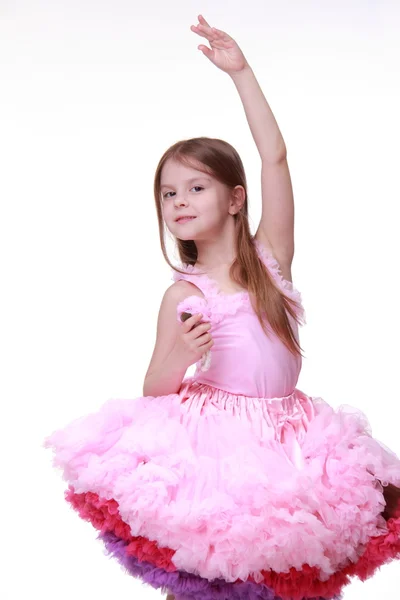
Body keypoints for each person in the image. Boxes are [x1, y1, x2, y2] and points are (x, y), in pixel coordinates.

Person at [43, 14, 400, 600]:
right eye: (167, 193)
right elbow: (156, 386)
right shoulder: (184, 293)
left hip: (292, 438)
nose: (178, 201)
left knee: (290, 565)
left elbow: (275, 157)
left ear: (236, 199)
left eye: (196, 187)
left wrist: (242, 73)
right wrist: (181, 357)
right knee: (221, 567)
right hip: (217, 448)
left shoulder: (271, 262)